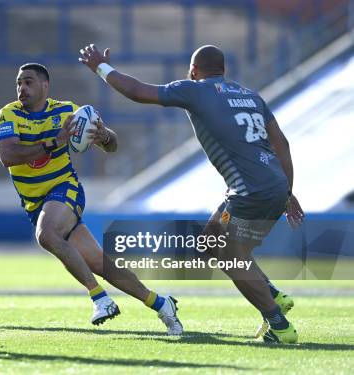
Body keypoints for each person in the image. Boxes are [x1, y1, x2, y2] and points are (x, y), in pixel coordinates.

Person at [79, 44, 304, 343]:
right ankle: (273, 293)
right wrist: (288, 191)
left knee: (230, 256)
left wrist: (100, 67)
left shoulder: (195, 90)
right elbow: (282, 145)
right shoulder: (251, 95)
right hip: (273, 183)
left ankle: (279, 324)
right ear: (223, 70)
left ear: (194, 70)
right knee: (212, 240)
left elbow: (137, 91)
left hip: (249, 190)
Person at [0, 63, 183, 335]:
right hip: (35, 203)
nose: (22, 88)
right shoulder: (8, 115)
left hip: (64, 188)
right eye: (19, 83)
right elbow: (8, 157)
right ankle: (162, 304)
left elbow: (113, 144)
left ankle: (100, 298)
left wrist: (104, 136)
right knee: (100, 263)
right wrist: (53, 142)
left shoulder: (68, 111)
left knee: (46, 235)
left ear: (45, 86)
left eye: (28, 82)